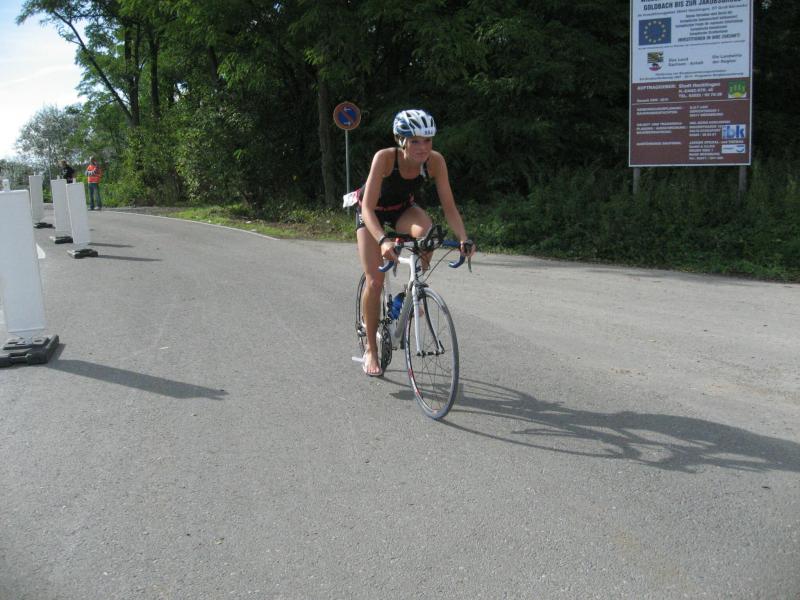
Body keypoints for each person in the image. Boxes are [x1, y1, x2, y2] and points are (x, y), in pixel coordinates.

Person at [356, 109, 475, 377]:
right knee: (374, 281)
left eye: (428, 140)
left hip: (401, 209)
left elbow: (449, 207)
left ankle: (411, 291)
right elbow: (367, 209)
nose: (423, 147)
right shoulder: (385, 158)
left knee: (429, 234)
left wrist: (463, 238)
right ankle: (371, 349)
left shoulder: (435, 162)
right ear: (401, 141)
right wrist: (383, 240)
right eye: (415, 141)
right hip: (371, 212)